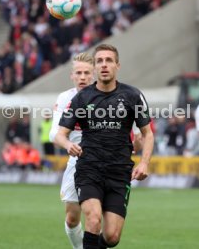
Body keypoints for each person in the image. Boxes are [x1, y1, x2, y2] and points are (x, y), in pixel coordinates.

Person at [55, 44, 154, 249]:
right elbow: (60, 133)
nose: (104, 65)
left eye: (109, 60)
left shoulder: (132, 96)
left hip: (119, 171)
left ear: (117, 65)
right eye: (99, 61)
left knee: (112, 237)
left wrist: (144, 163)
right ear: (96, 68)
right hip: (89, 168)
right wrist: (68, 144)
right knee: (93, 219)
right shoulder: (81, 98)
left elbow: (147, 133)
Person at [49, 52, 95, 249]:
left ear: (93, 75)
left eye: (86, 73)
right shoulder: (65, 98)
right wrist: (68, 145)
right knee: (72, 218)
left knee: (94, 216)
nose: (82, 77)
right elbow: (53, 134)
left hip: (102, 160)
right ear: (72, 75)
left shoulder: (106, 96)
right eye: (79, 73)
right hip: (76, 162)